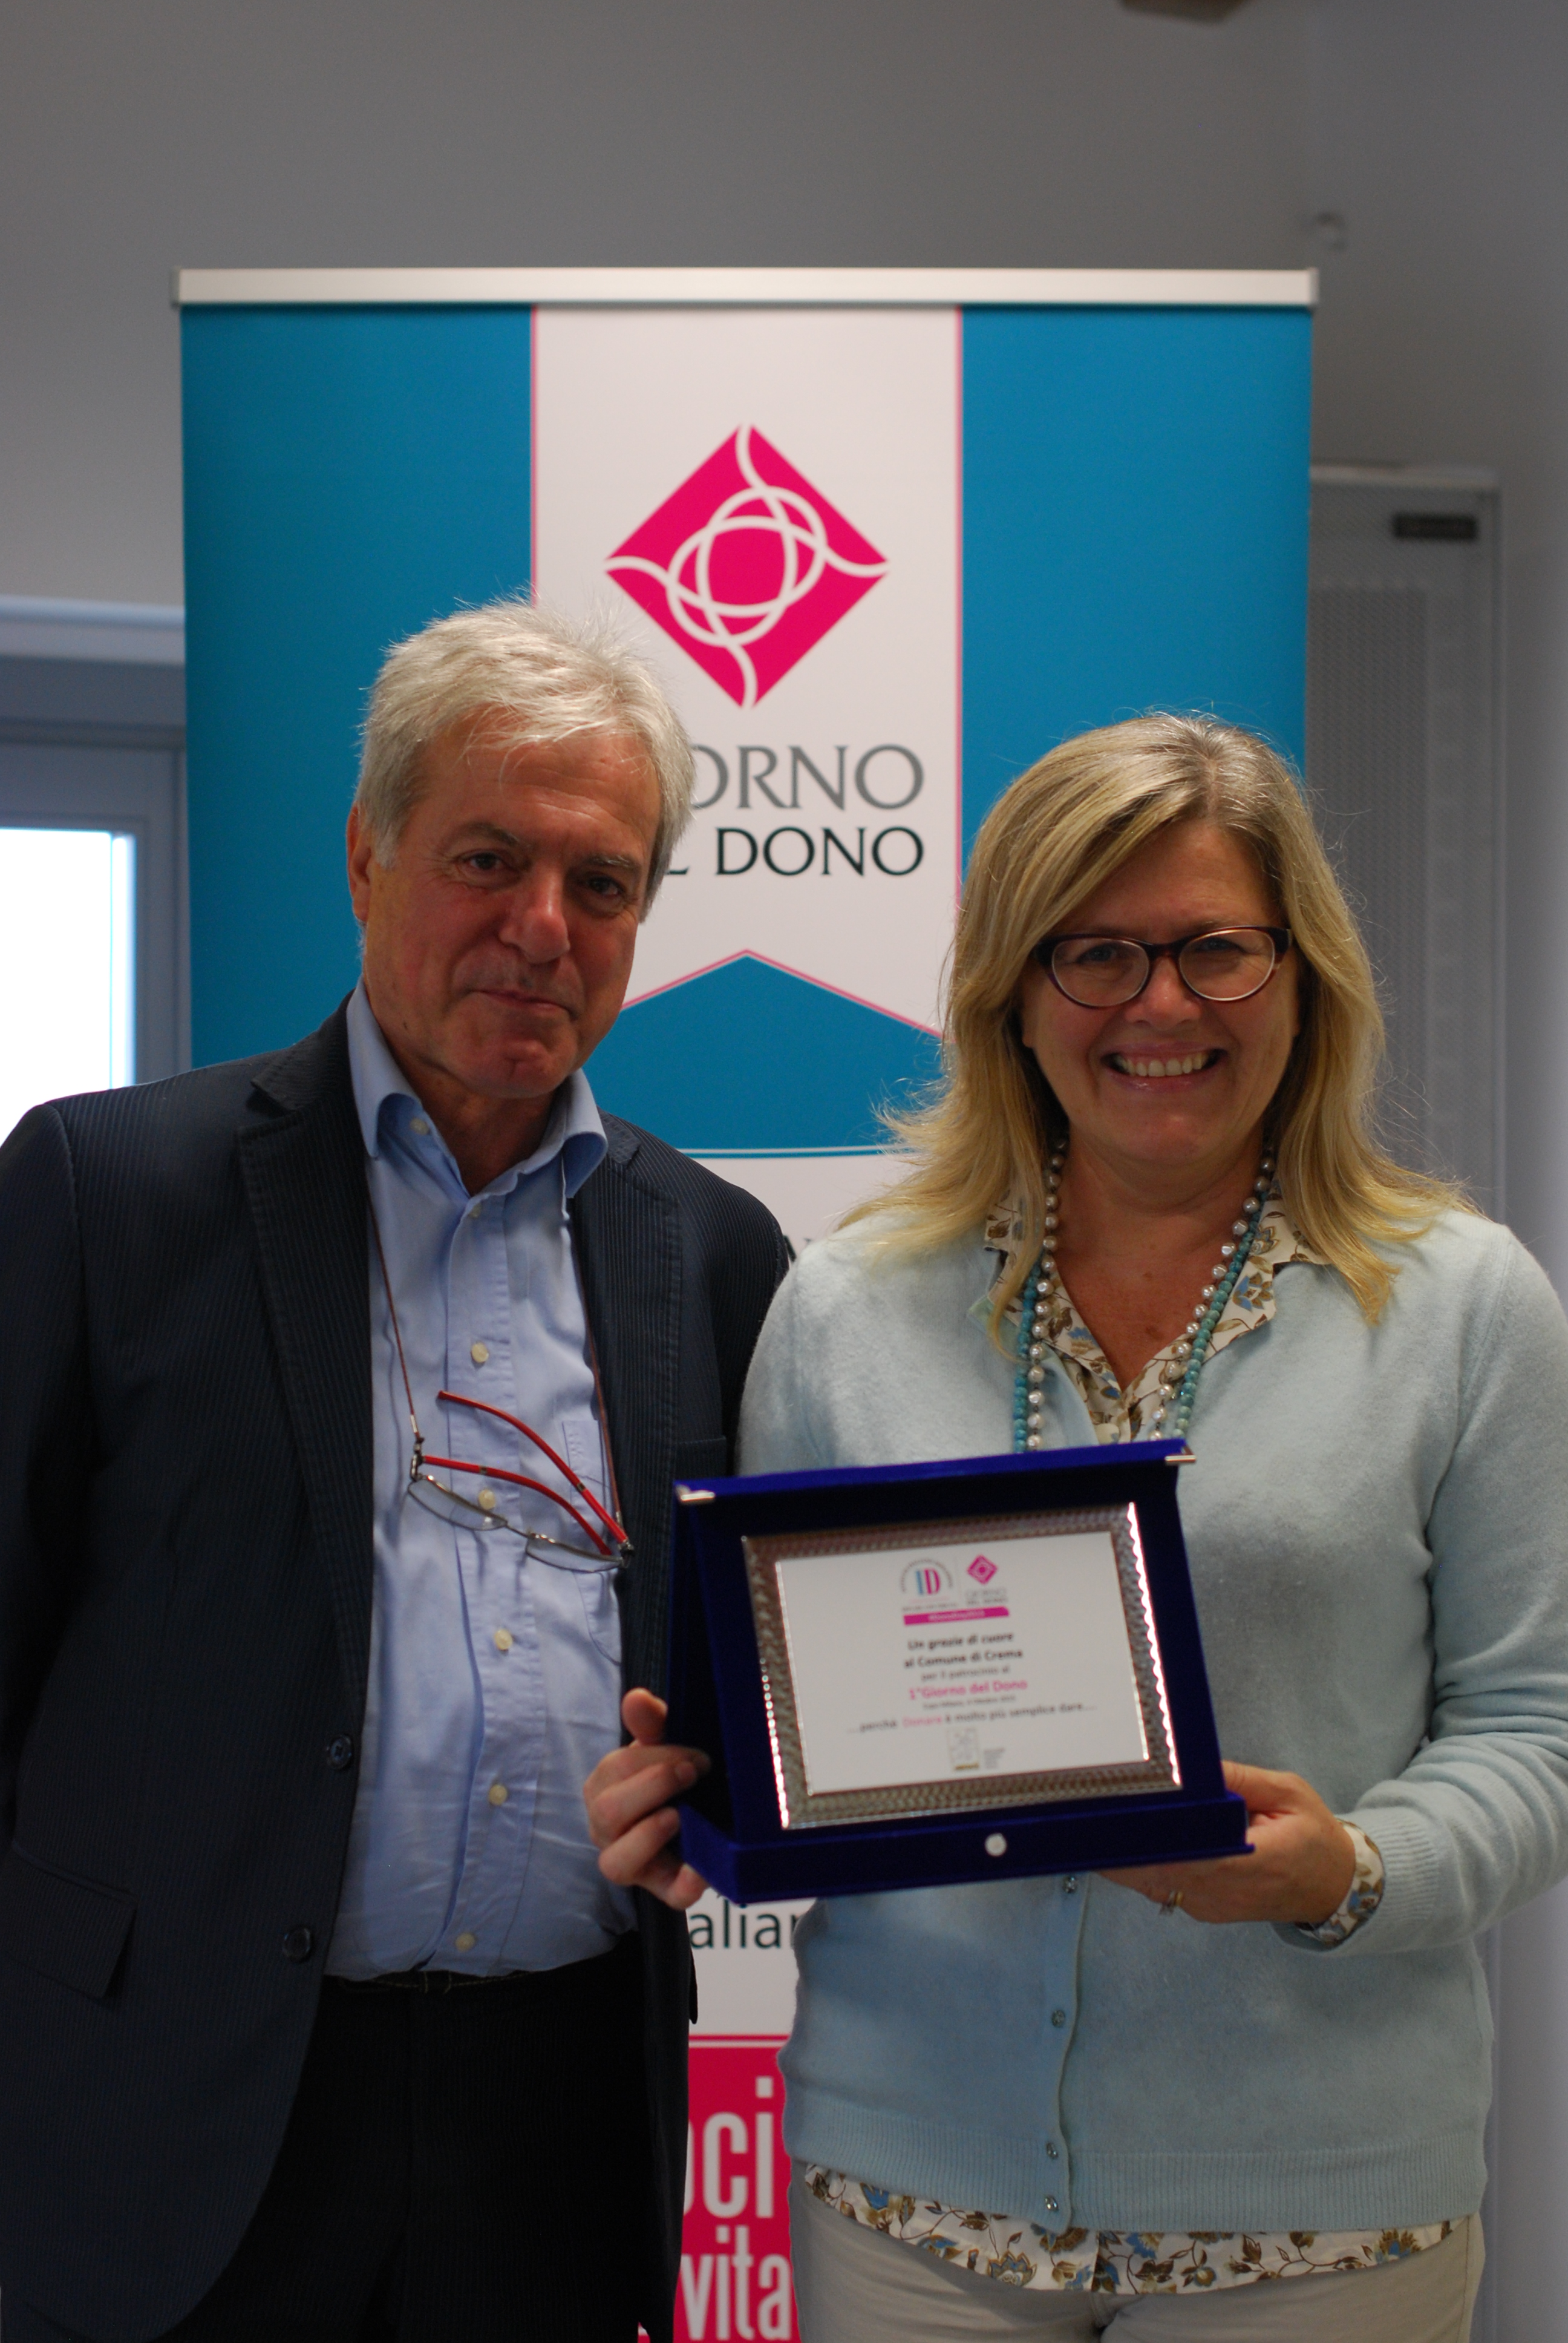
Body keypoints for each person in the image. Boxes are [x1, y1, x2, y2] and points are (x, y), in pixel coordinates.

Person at [589, 714, 1568, 2342]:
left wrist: (1354, 1870)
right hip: (911, 2209)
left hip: (1320, 2219)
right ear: (1012, 994)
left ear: (1304, 976)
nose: (1160, 1006)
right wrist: (698, 1798)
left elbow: (1538, 1726)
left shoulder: (1464, 1308)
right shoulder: (849, 1307)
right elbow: (791, 1722)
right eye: (1095, 953)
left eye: (1216, 950)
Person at [0, 598, 787, 2343]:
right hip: (174, 2104)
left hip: (560, 2121)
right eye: (488, 859)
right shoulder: (109, 1193)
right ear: (367, 857)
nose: (541, 927)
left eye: (602, 883)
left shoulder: (712, 1252)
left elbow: (736, 1683)